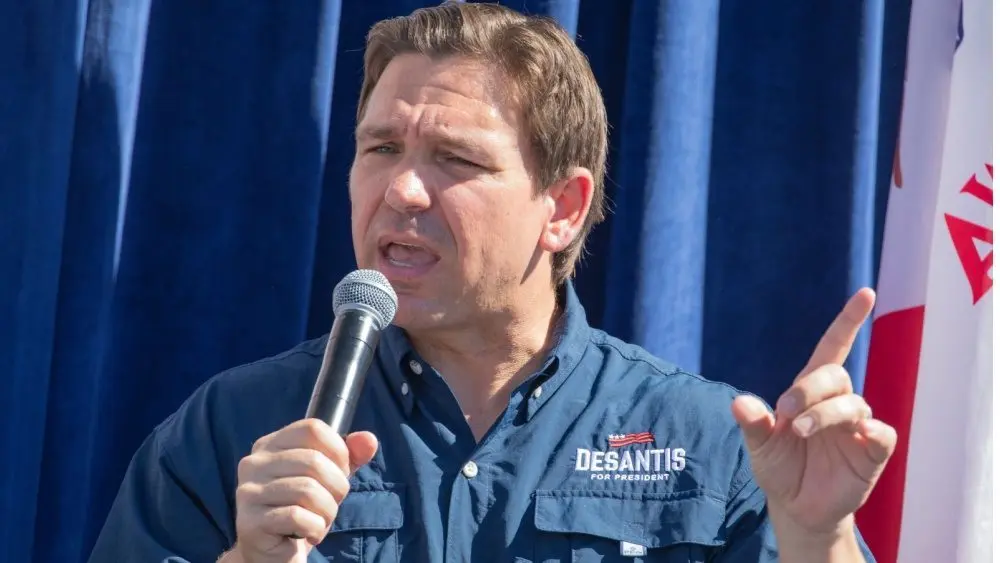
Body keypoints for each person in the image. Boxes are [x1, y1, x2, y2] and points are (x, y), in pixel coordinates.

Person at [88, 3, 895, 562]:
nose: (401, 190)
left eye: (455, 159)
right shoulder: (234, 431)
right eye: (380, 149)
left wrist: (816, 535)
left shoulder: (705, 443)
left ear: (563, 209)